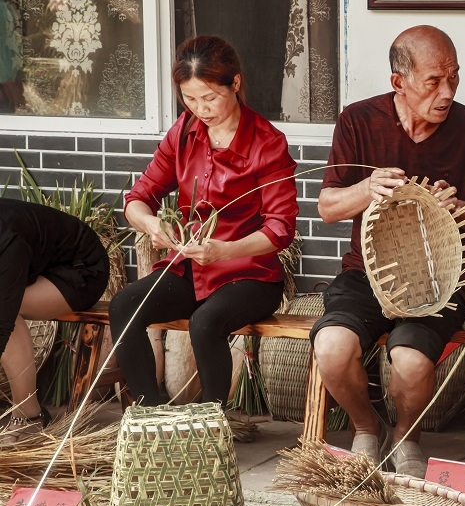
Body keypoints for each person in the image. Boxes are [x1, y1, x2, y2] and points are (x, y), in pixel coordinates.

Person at [311, 25, 465, 478]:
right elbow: (327, 208)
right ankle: (365, 429)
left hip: (441, 278)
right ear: (399, 81)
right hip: (368, 273)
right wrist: (367, 187)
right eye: (433, 81)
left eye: (454, 77)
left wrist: (459, 208)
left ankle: (405, 435)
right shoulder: (358, 121)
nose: (447, 91)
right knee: (332, 347)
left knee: (412, 361)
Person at [109, 35, 298, 406]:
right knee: (124, 305)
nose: (201, 109)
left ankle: (212, 424)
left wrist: (225, 250)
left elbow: (280, 228)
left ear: (236, 83)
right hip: (188, 270)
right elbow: (137, 198)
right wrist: (152, 226)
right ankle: (150, 414)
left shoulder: (267, 143)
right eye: (190, 100)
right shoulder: (184, 131)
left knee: (205, 322)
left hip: (250, 275)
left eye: (210, 97)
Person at [0, 199, 110, 445]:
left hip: (82, 271)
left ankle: (28, 416)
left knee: (3, 309)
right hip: (39, 268)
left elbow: (2, 327)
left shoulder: (7, 242)